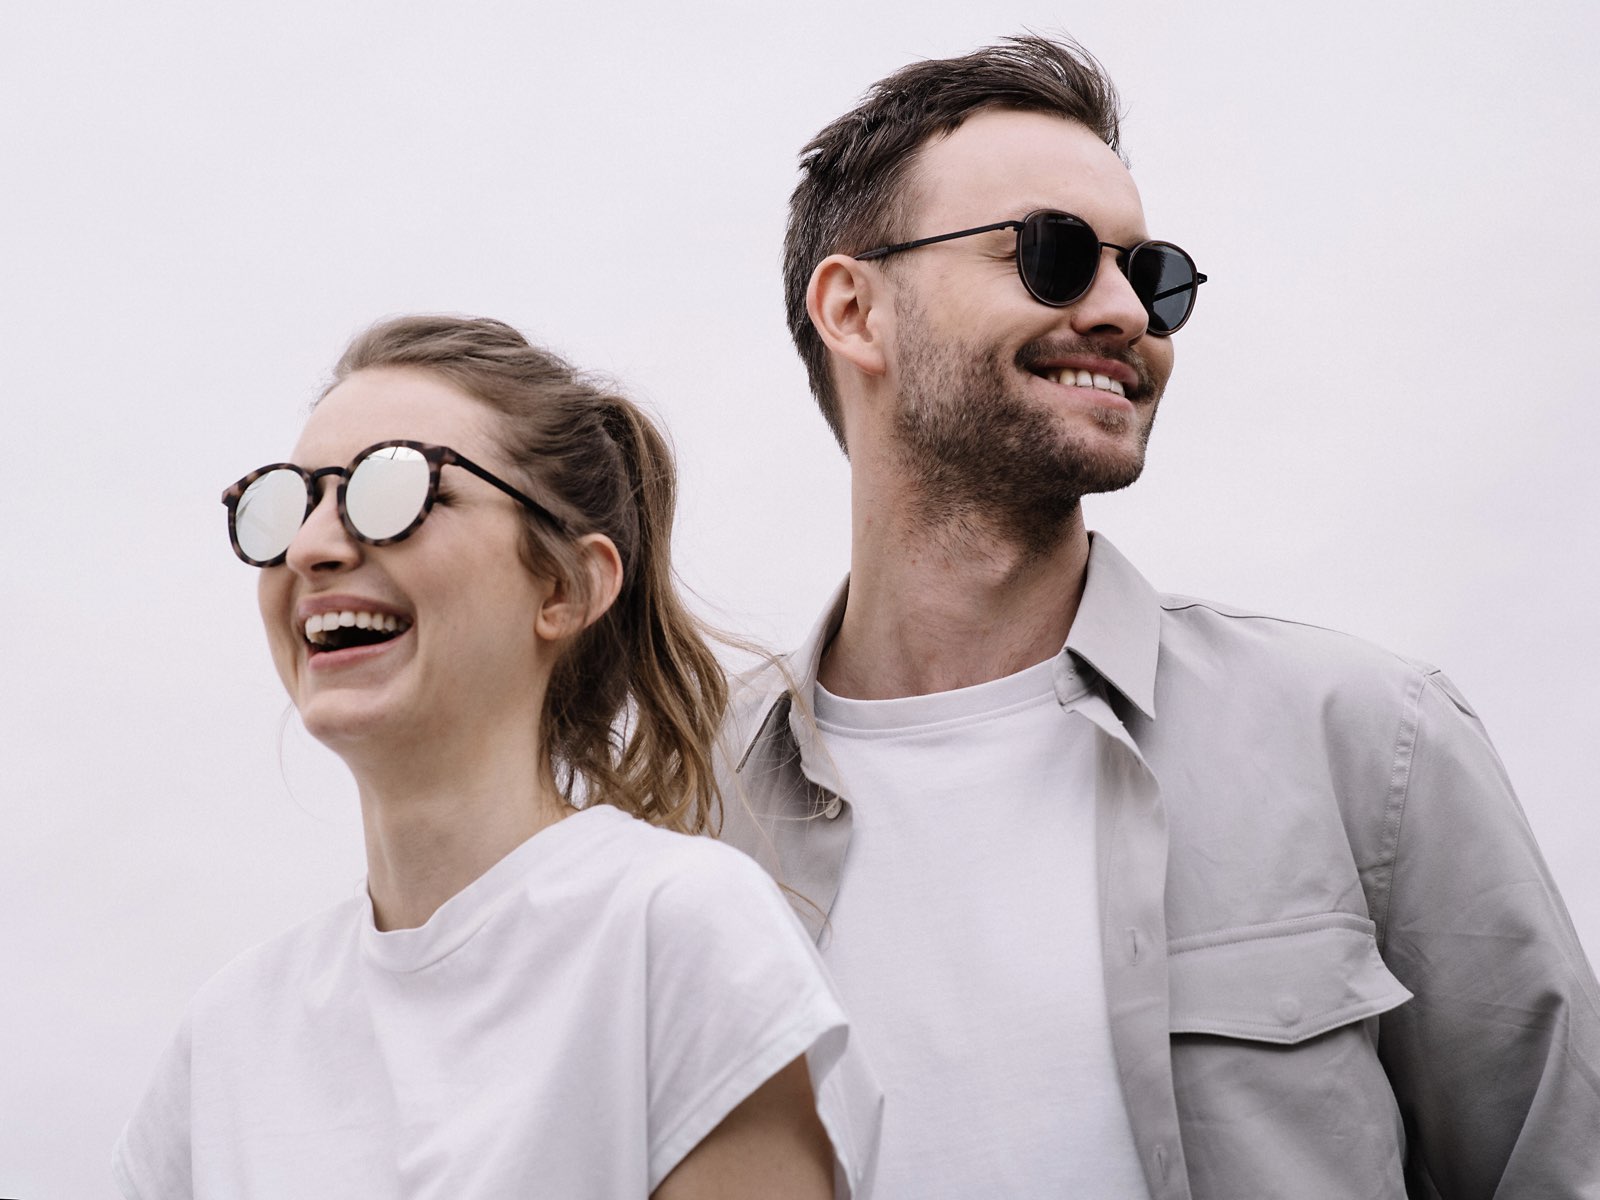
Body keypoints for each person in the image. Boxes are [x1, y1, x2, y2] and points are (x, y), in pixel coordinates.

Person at [718, 34, 1600, 1200]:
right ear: (853, 310)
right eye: (1051, 254)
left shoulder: (1369, 741)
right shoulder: (688, 805)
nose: (1126, 312)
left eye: (1153, 274)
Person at [114, 316, 880, 1198]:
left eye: (393, 487)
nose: (314, 547)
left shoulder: (677, 932)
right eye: (293, 502)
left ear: (564, 586)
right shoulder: (228, 1037)